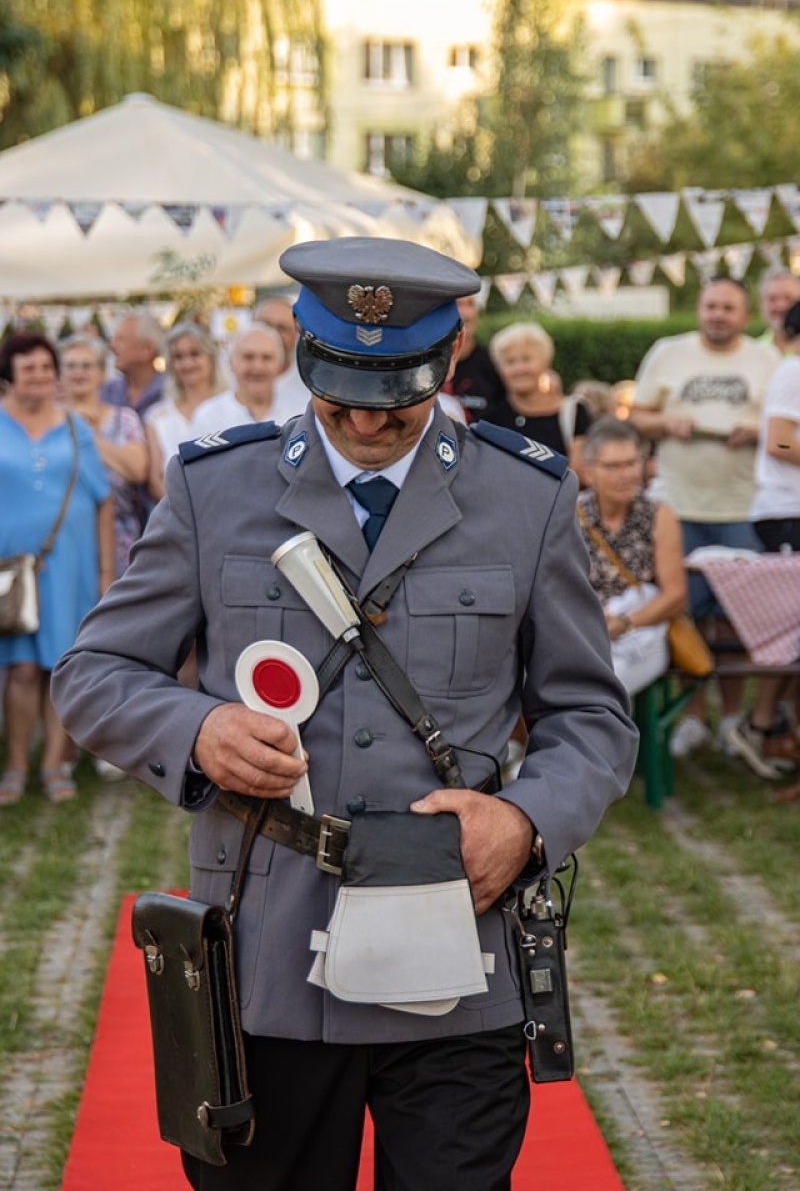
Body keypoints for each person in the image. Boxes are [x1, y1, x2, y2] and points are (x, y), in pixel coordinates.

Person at [52, 236, 637, 1191]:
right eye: (341, 396)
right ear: (303, 362)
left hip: (457, 959)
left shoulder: (525, 497)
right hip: (265, 959)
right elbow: (95, 671)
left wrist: (527, 822)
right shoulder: (215, 486)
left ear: (448, 365)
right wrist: (193, 731)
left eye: (395, 399)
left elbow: (591, 717)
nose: (366, 423)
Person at [629, 276, 780, 759]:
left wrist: (757, 432)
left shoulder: (768, 361)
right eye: (711, 305)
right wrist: (665, 423)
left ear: (745, 315)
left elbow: (782, 431)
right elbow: (636, 417)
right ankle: (689, 719)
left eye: (729, 308)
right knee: (682, 616)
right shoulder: (668, 352)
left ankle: (733, 719)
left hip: (744, 508)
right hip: (677, 508)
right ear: (700, 308)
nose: (718, 314)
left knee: (740, 620)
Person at [0, 333, 112, 805]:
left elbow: (103, 500)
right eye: (30, 368)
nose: (42, 376)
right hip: (11, 570)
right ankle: (16, 764)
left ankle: (54, 763)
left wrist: (107, 572)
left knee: (61, 666)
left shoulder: (74, 428)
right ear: (9, 375)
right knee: (22, 669)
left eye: (48, 367)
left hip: (69, 567)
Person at [728, 298, 800, 777]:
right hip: (786, 513)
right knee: (789, 631)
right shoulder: (794, 369)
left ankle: (775, 727)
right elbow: (778, 441)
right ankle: (756, 726)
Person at [577, 418, 687, 696]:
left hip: (640, 632)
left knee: (601, 690)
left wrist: (624, 623)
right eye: (613, 466)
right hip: (579, 631)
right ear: (589, 472)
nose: (625, 474)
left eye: (631, 463)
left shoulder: (658, 515)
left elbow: (674, 595)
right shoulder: (570, 513)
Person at [59, 334, 148, 577]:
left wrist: (85, 433)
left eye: (87, 366)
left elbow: (136, 470)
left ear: (101, 373)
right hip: (64, 537)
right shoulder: (49, 423)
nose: (79, 373)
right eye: (71, 366)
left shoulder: (124, 419)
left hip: (121, 538)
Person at [486, 321, 590, 481]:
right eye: (510, 362)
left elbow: (579, 475)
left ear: (545, 363)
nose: (519, 369)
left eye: (526, 359)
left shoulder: (574, 413)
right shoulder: (491, 420)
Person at [145, 322, 224, 502]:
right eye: (179, 357)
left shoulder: (231, 405)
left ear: (210, 357)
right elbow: (156, 479)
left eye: (195, 354)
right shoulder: (157, 416)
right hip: (176, 513)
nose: (187, 363)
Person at [191, 323, 309, 434]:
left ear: (280, 364)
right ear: (231, 364)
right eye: (248, 357)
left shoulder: (303, 410)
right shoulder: (210, 417)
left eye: (267, 358)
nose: (257, 366)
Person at [440, 292, 505, 421]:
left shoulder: (493, 363)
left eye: (471, 304)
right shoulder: (425, 362)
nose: (466, 314)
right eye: (457, 305)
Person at [102, 309, 166, 419]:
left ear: (147, 349)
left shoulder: (171, 393)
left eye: (120, 340)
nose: (111, 346)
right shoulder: (107, 393)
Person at [253, 294, 310, 403]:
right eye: (265, 325)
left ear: (296, 335)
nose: (272, 333)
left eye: (282, 328)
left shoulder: (307, 384)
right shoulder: (231, 377)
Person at [757, 267, 800, 354]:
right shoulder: (754, 350)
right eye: (772, 299)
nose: (781, 306)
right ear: (761, 304)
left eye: (788, 298)